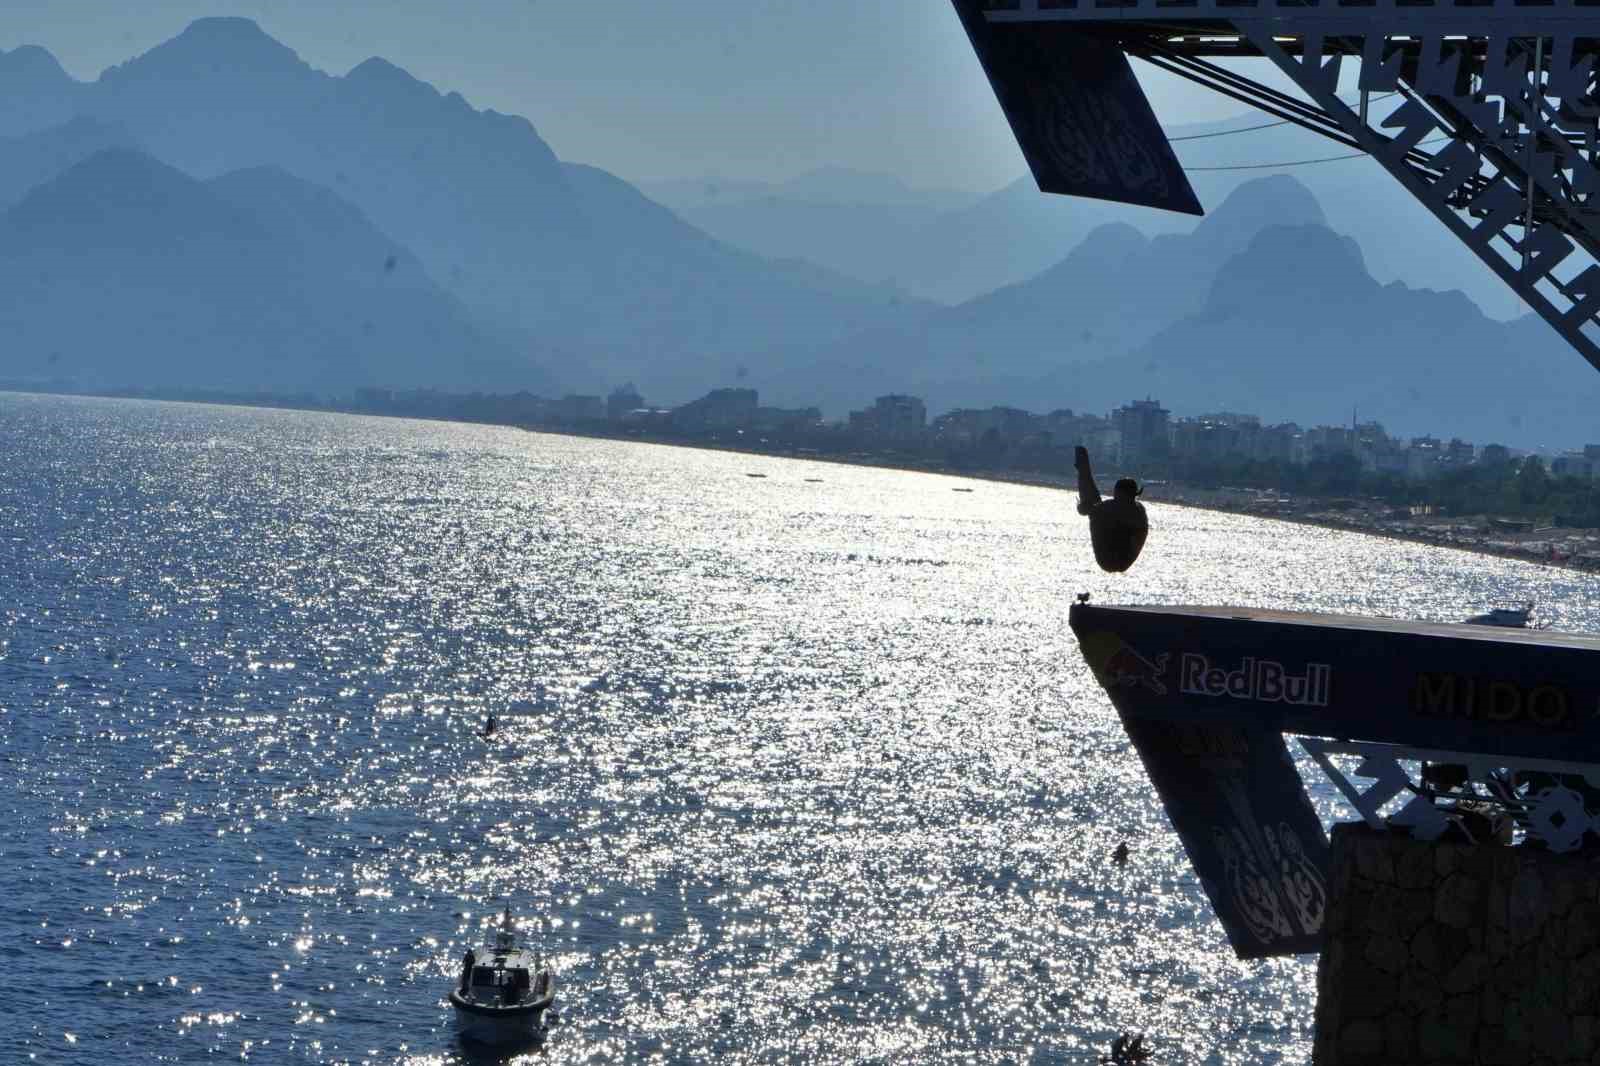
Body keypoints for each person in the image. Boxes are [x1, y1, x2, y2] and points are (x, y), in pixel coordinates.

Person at [1076, 446, 1148, 573]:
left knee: (1094, 506)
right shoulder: (1135, 508)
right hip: (1116, 556)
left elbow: (1088, 510)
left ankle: (1083, 470)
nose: (1115, 497)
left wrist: (1087, 508)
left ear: (1124, 494)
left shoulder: (1134, 511)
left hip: (1112, 559)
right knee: (1095, 506)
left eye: (1117, 494)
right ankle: (1083, 470)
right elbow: (1091, 509)